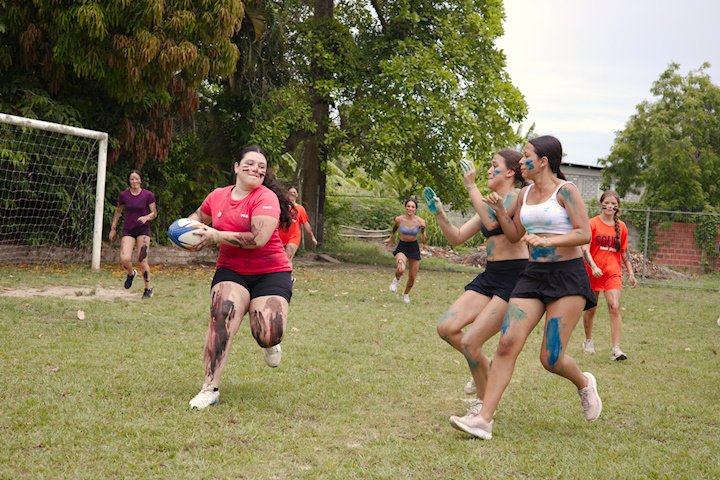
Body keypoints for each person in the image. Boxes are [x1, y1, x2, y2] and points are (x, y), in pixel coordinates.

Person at [450, 135, 601, 440]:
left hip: (566, 278)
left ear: (543, 161)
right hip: (533, 276)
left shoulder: (566, 191)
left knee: (551, 358)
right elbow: (515, 234)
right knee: (506, 344)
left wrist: (549, 241)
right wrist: (501, 211)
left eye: (527, 155)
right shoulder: (525, 194)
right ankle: (483, 420)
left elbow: (584, 233)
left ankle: (584, 383)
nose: (521, 161)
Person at [187, 145, 295, 410]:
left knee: (267, 333)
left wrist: (216, 235)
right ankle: (210, 388)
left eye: (261, 166)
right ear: (236, 166)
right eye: (249, 163)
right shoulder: (218, 196)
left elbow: (257, 239)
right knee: (221, 316)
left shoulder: (266, 197)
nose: (256, 169)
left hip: (271, 271)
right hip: (232, 270)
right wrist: (188, 231)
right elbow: (198, 217)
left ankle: (270, 344)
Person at [429, 149, 528, 417]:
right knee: (446, 327)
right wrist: (440, 215)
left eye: (494, 165)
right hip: (491, 274)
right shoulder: (488, 203)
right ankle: (485, 366)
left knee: (471, 343)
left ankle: (482, 408)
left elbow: (493, 222)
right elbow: (457, 237)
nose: (488, 170)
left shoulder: (518, 196)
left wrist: (471, 186)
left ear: (510, 172)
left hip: (514, 277)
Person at [581, 191, 637, 360]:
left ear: (617, 207)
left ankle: (616, 349)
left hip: (612, 273)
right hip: (593, 272)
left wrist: (631, 273)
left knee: (614, 306)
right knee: (591, 309)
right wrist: (593, 266)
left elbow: (624, 252)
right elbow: (584, 249)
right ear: (601, 204)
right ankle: (588, 341)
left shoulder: (622, 227)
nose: (610, 206)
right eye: (607, 203)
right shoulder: (592, 223)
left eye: (613, 203)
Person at [109, 169, 157, 299]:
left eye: (136, 178)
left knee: (142, 260)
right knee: (124, 259)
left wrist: (146, 217)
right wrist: (113, 228)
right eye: (132, 179)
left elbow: (154, 213)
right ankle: (131, 273)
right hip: (128, 230)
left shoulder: (148, 195)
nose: (134, 181)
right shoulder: (123, 195)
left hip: (143, 230)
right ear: (129, 181)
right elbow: (118, 212)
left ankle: (148, 288)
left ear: (140, 180)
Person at [384, 198, 426, 303]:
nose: (410, 208)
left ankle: (405, 294)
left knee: (412, 276)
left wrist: (422, 230)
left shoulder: (420, 221)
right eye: (408, 206)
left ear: (416, 209)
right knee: (401, 268)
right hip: (402, 246)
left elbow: (424, 240)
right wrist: (390, 238)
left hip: (413, 247)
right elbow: (395, 229)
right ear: (405, 207)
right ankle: (396, 280)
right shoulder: (399, 219)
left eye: (413, 207)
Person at [278, 185, 318, 271]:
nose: (292, 194)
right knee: (278, 259)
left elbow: (306, 224)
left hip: (294, 236)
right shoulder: (282, 207)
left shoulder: (300, 209)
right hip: (280, 236)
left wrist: (312, 237)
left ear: (297, 195)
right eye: (290, 192)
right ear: (287, 194)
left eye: (294, 192)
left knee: (287, 258)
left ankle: (287, 276)